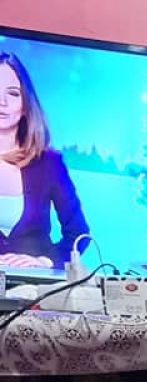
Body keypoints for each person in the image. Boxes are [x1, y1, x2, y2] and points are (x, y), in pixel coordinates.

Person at [0, 52, 89, 269]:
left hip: (34, 285)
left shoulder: (49, 163)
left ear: (25, 105)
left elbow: (79, 234)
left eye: (13, 93)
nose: (2, 102)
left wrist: (44, 261)